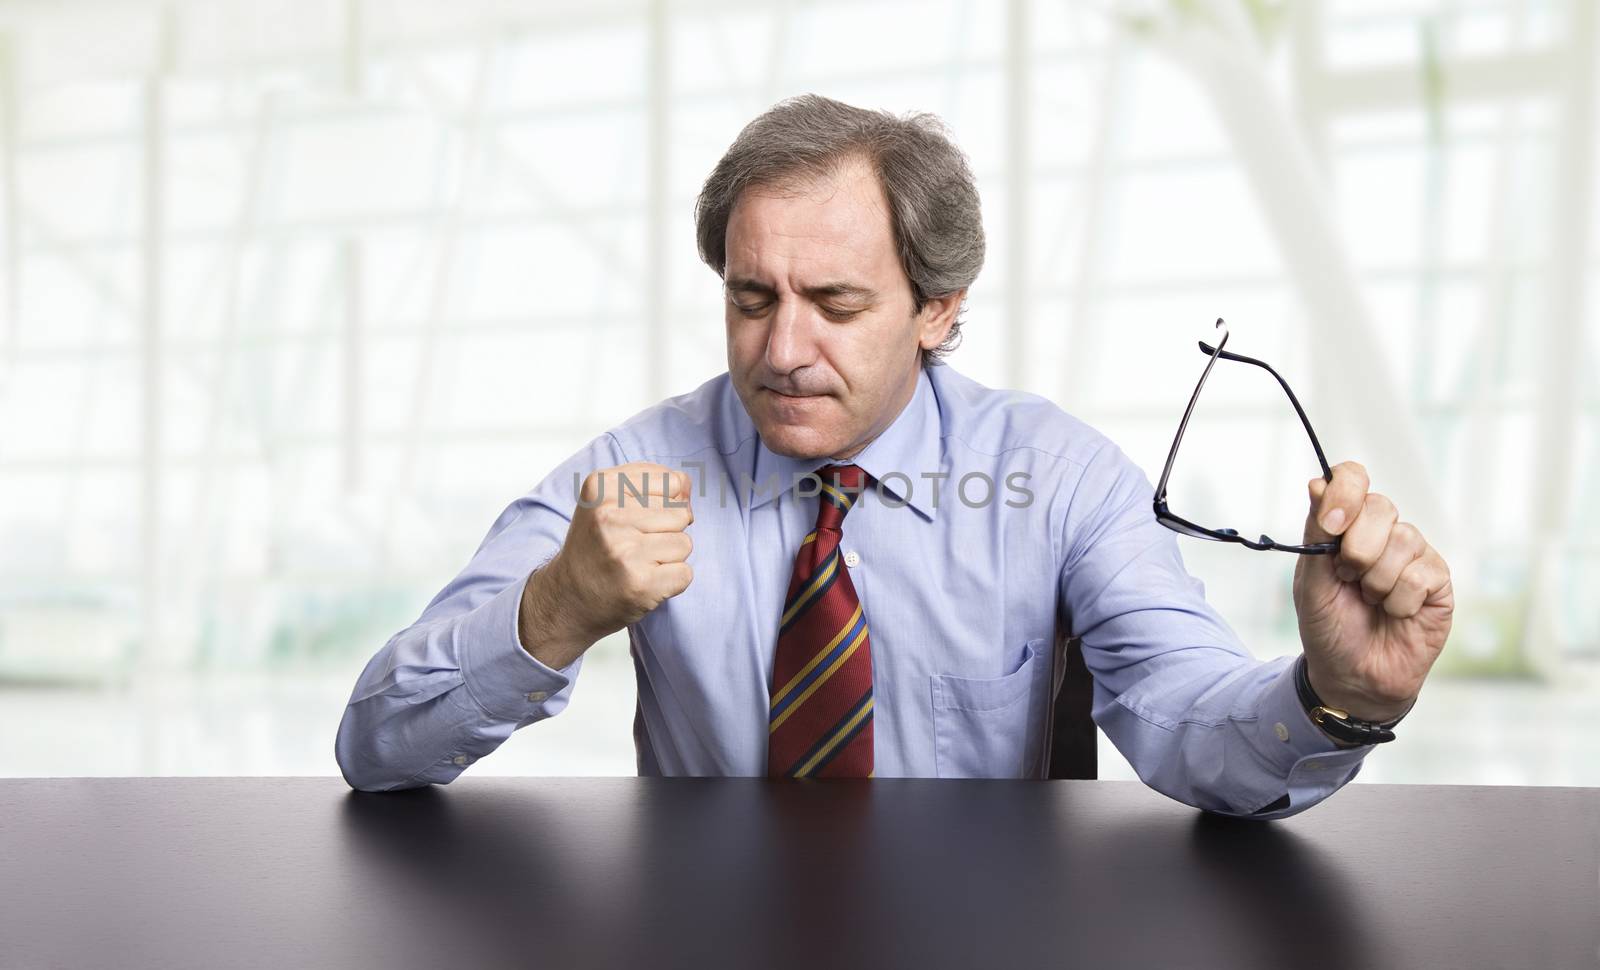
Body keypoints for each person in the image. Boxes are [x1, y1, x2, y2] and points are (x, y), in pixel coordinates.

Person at [334, 94, 1453, 817]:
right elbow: (377, 744)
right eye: (750, 298)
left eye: (834, 302)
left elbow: (1186, 722)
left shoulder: (1057, 480)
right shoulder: (636, 470)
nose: (780, 349)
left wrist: (1333, 697)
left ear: (935, 308)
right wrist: (554, 611)